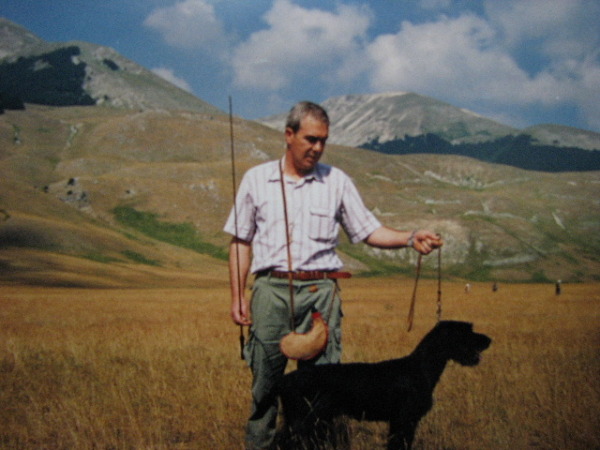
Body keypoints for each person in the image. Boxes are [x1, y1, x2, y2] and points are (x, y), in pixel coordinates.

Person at [224, 101, 443, 449]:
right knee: (265, 386)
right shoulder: (256, 179)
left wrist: (409, 236)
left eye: (323, 140)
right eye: (311, 139)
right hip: (271, 291)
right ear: (289, 135)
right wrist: (237, 296)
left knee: (326, 389)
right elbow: (240, 242)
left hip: (321, 292)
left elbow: (369, 230)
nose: (318, 147)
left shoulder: (336, 181)